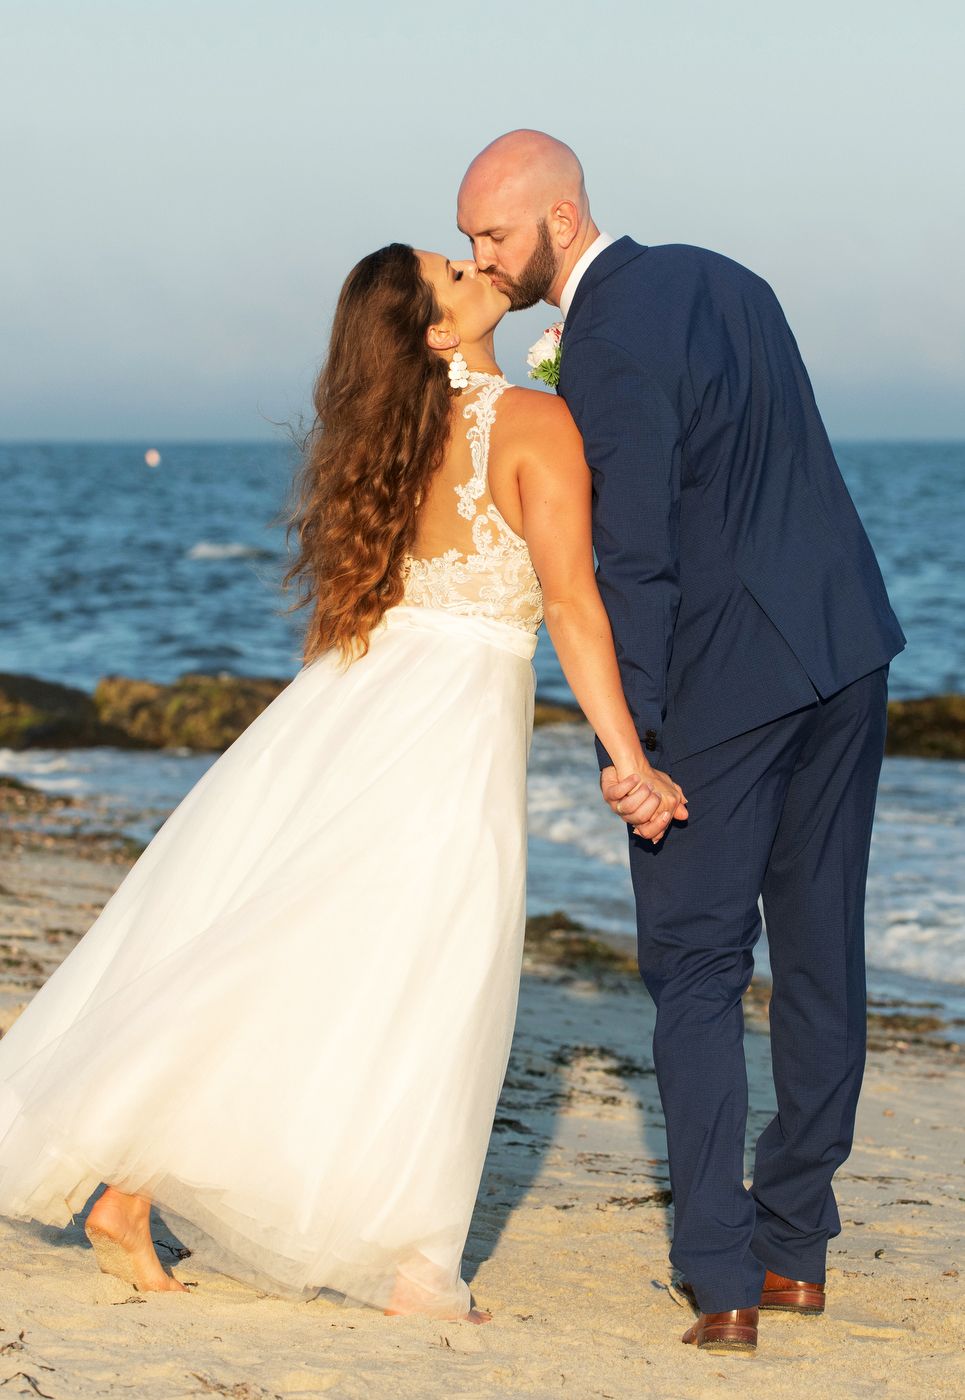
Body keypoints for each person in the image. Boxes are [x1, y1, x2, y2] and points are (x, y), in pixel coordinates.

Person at [0, 243, 684, 1322]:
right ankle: (406, 1261)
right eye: (453, 275)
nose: (475, 268)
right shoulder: (532, 425)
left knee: (300, 945)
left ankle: (137, 1193)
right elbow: (570, 605)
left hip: (356, 700)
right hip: (443, 720)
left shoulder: (389, 435)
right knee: (427, 967)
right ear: (435, 331)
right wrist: (629, 758)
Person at [458, 130, 905, 1354]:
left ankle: (720, 1272)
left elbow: (635, 555)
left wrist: (632, 740)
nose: (477, 260)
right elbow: (784, 469)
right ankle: (795, 1246)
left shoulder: (601, 342)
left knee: (696, 973)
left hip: (723, 690)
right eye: (466, 241)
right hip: (845, 649)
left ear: (557, 221)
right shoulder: (727, 276)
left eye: (490, 235)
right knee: (820, 954)